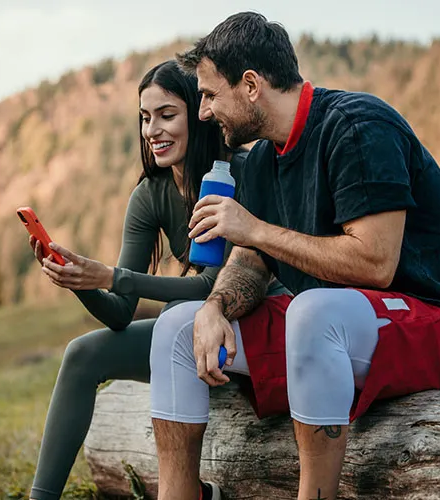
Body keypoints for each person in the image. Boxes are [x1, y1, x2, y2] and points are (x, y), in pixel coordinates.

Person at [147, 12, 440, 500]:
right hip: (329, 329)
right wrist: (214, 307)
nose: (202, 112)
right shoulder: (264, 158)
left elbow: (376, 263)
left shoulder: (357, 127)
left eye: (208, 94)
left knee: (313, 310)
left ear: (250, 85)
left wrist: (257, 228)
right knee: (176, 328)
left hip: (433, 322)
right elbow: (249, 261)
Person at [28, 59, 288, 500]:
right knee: (83, 353)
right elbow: (118, 313)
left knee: (177, 315)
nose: (153, 130)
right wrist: (83, 282)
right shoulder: (150, 194)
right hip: (190, 332)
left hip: (258, 322)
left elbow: (211, 287)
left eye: (167, 115)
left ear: (199, 113)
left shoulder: (241, 172)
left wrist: (113, 276)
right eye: (146, 118)